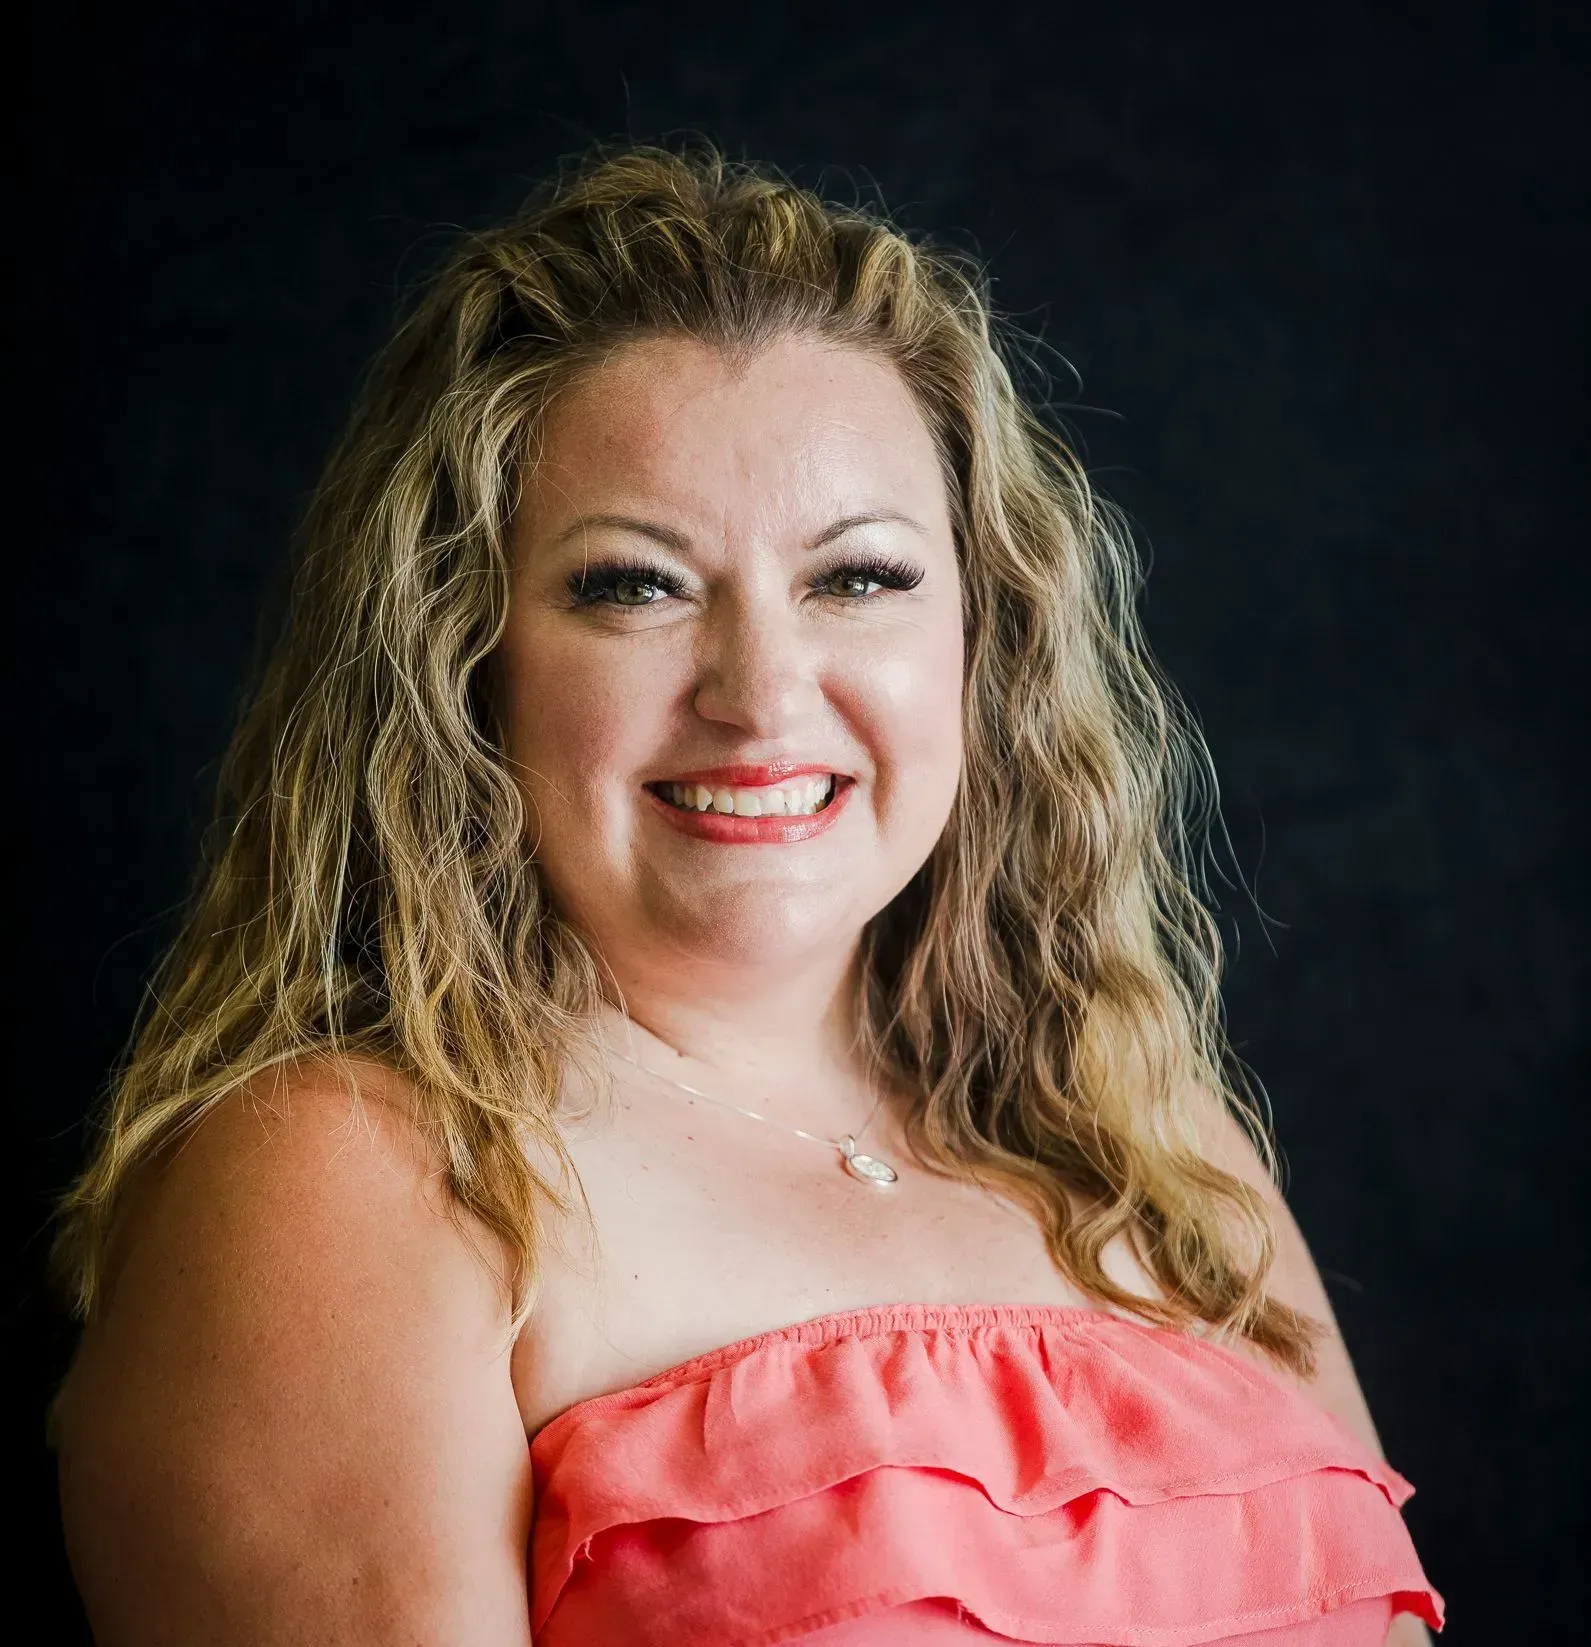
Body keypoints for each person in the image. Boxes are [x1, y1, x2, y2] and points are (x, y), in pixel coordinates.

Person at [50, 142, 1444, 1644]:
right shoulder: (354, 1173)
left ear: (989, 637)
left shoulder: (1149, 1135)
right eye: (632, 584)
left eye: (857, 577)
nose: (762, 694)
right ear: (464, 661)